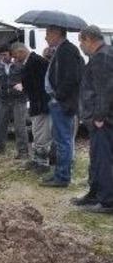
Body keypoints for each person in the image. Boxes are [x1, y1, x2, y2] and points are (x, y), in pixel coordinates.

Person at [72, 25, 113, 212]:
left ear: (88, 39)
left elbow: (104, 90)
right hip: (100, 119)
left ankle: (107, 201)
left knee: (103, 159)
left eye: (81, 41)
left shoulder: (103, 56)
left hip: (103, 120)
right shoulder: (103, 54)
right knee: (96, 158)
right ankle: (95, 193)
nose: (81, 46)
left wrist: (99, 116)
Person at [40, 26, 85, 187]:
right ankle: (59, 174)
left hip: (62, 102)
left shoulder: (67, 50)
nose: (45, 38)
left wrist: (58, 96)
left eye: (47, 34)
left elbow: (72, 77)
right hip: (58, 101)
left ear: (56, 33)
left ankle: (62, 177)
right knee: (60, 139)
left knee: (63, 140)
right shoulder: (61, 50)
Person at [16, 43, 52, 172]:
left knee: (42, 133)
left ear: (21, 51)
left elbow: (41, 84)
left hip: (41, 103)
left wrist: (24, 86)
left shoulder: (36, 61)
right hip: (37, 102)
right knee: (37, 132)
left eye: (16, 55)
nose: (15, 59)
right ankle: (37, 159)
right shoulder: (33, 61)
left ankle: (43, 163)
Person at [0, 43, 29, 158]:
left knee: (19, 126)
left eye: (5, 55)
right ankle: (0, 148)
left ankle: (23, 152)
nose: (3, 57)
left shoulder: (20, 65)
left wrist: (23, 85)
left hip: (19, 99)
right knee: (0, 124)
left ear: (10, 54)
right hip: (4, 99)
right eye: (1, 55)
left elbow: (28, 79)